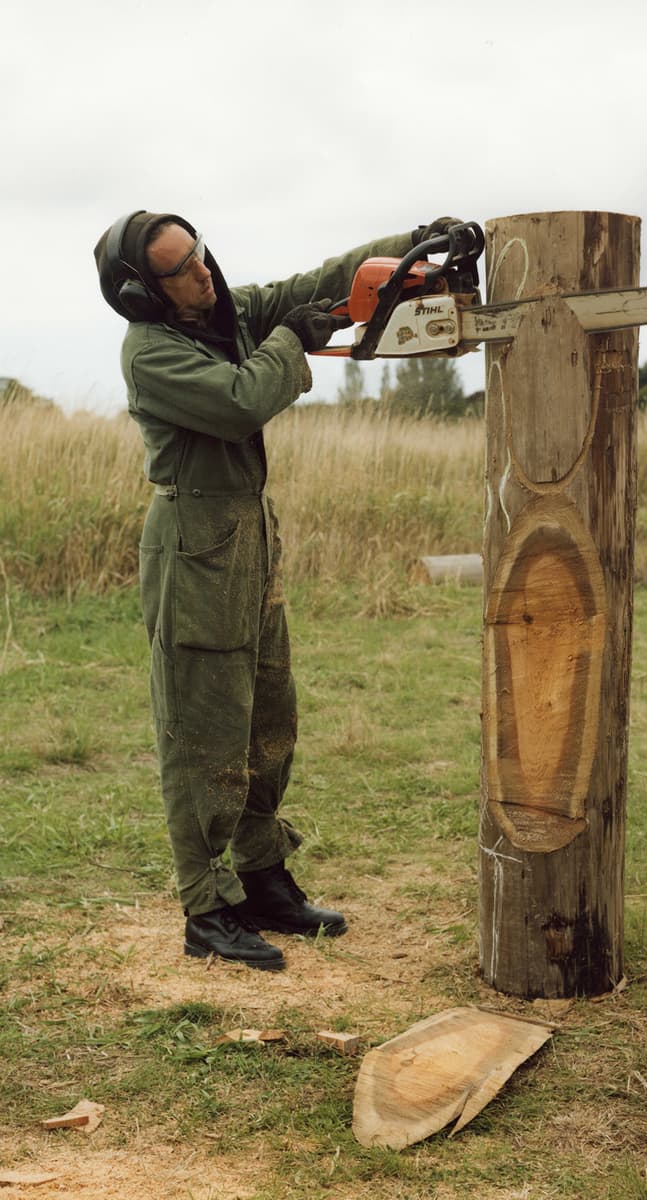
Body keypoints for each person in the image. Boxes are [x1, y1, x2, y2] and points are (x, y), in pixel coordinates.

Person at [93, 210, 460, 972]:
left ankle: (261, 878)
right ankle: (206, 906)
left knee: (268, 721)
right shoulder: (153, 350)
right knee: (205, 736)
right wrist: (292, 338)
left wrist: (406, 246)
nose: (205, 273)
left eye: (202, 255)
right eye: (183, 269)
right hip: (195, 549)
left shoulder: (220, 311)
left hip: (250, 539)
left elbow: (312, 286)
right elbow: (239, 401)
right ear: (141, 294)